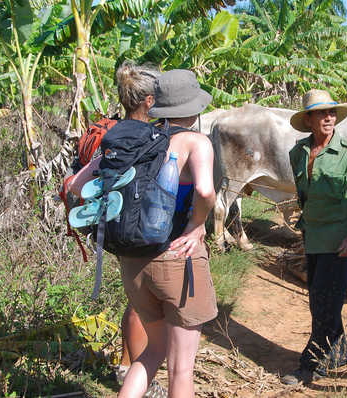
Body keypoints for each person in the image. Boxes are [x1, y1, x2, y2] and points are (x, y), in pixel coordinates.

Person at [117, 69, 218, 398]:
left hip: (132, 264)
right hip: (177, 260)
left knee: (150, 354)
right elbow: (204, 191)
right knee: (181, 369)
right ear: (194, 108)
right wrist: (197, 225)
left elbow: (75, 184)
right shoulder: (194, 141)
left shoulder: (135, 139)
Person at [68, 62, 167, 397]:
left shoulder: (112, 134)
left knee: (135, 301)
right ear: (149, 101)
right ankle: (134, 376)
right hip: (146, 234)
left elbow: (76, 185)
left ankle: (127, 365)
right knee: (144, 307)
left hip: (115, 233)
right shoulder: (154, 137)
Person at [282, 89, 347, 385]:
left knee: (326, 305)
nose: (328, 118)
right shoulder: (297, 153)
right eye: (321, 113)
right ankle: (340, 352)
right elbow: (304, 196)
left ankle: (308, 364)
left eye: (332, 113)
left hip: (339, 242)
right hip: (313, 239)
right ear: (308, 119)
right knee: (320, 301)